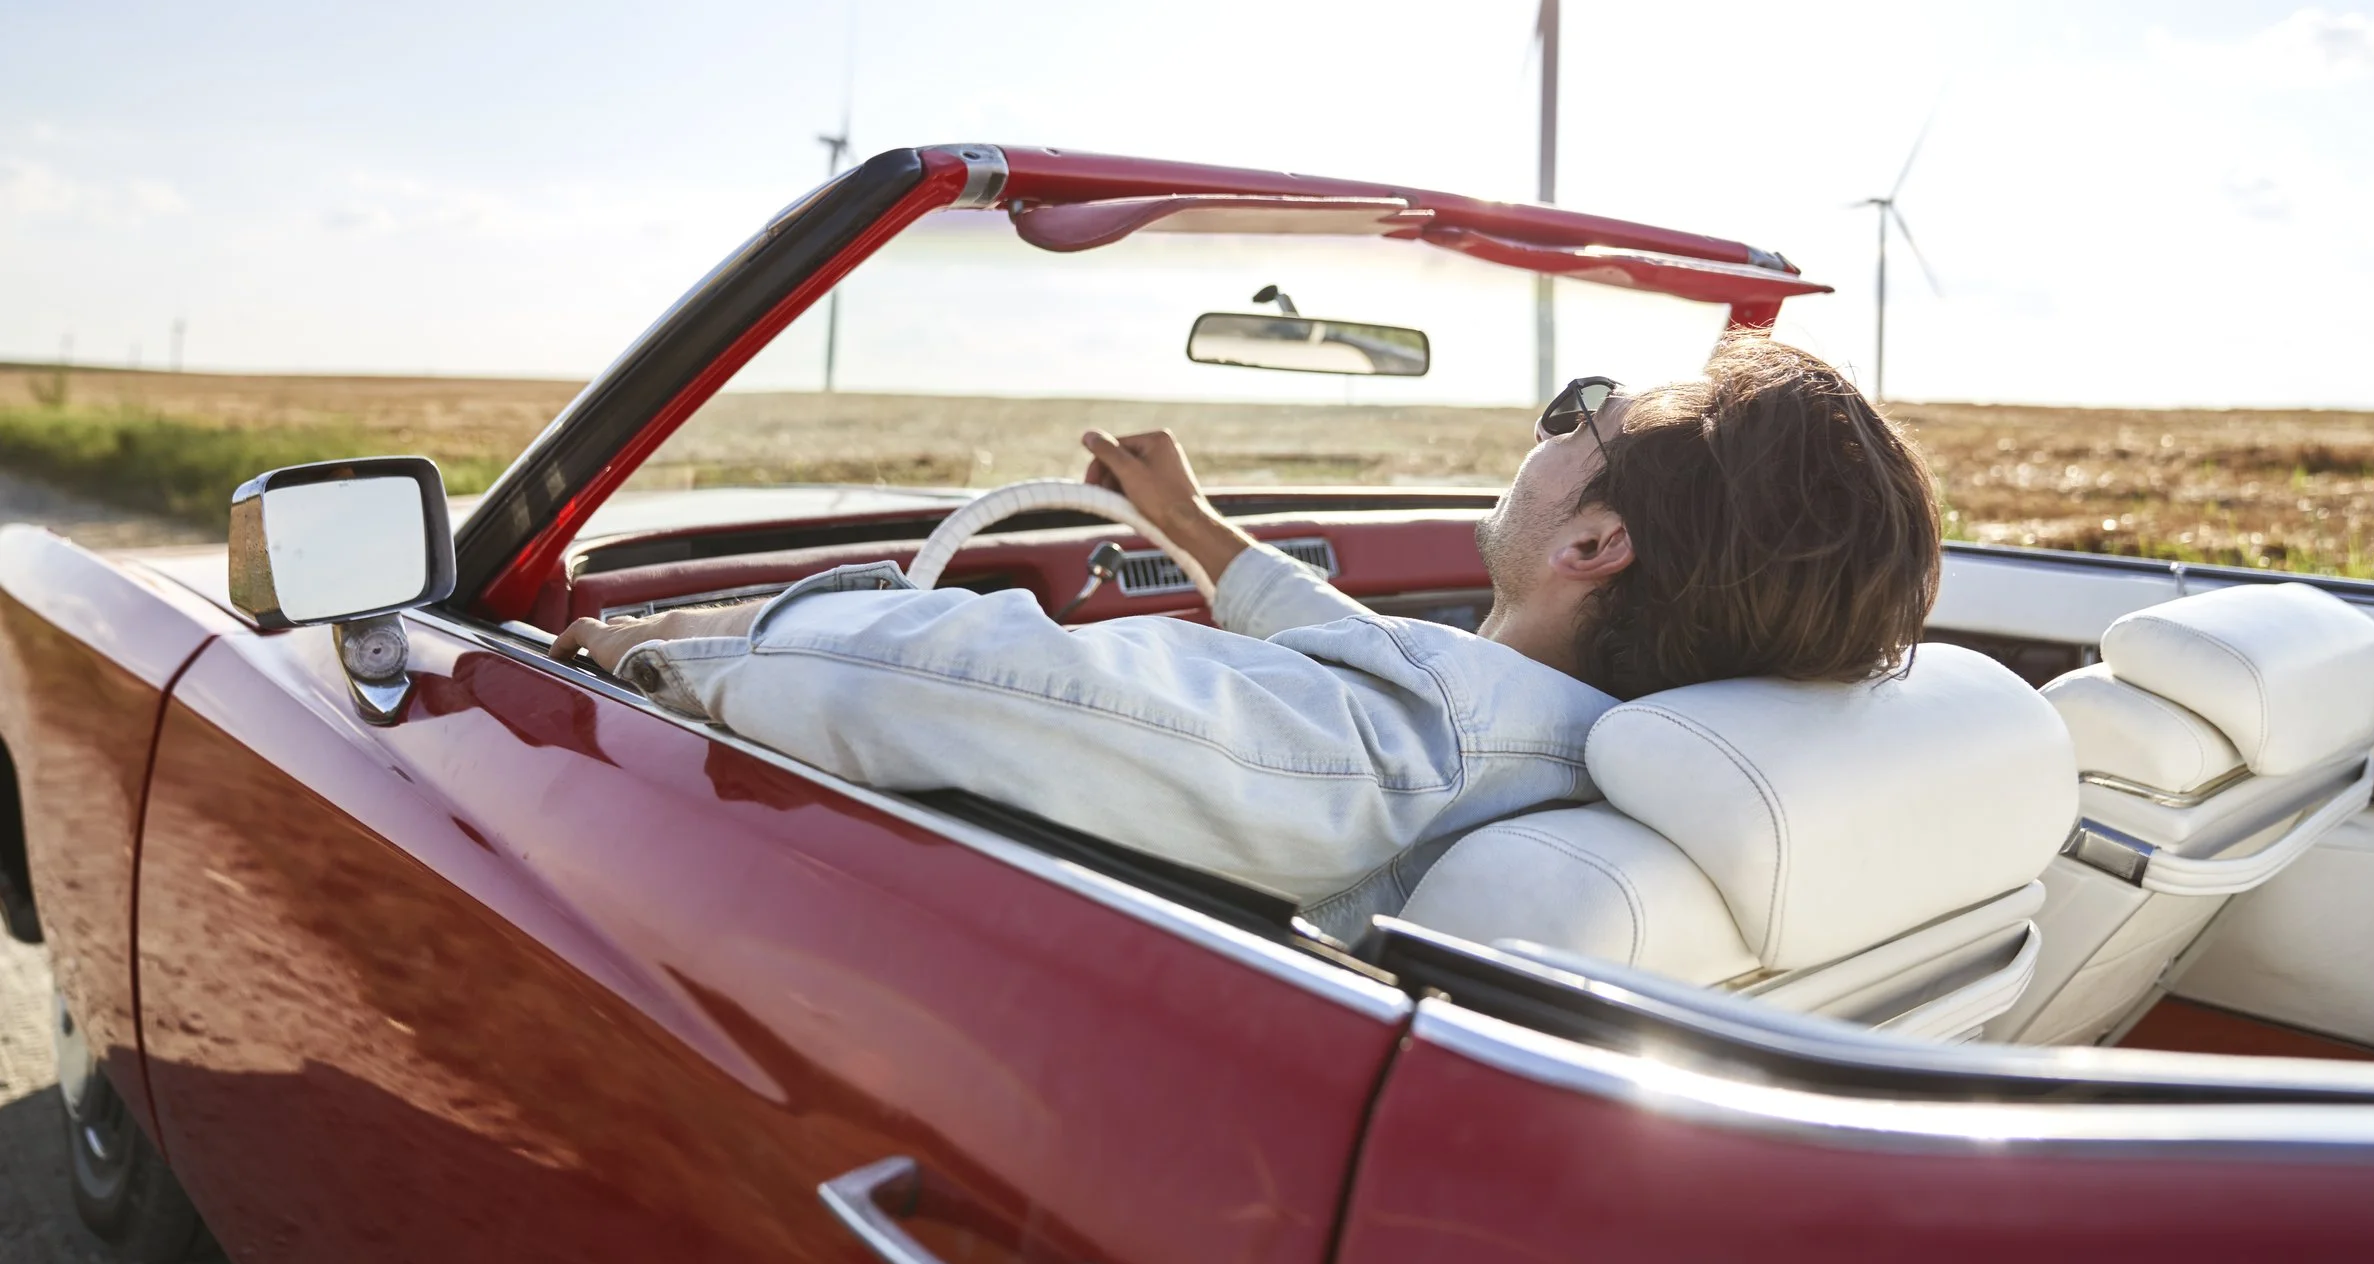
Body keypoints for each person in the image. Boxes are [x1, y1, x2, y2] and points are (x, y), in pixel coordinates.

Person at [554, 335, 1941, 938]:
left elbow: (884, 669)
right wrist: (1199, 530)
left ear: (1592, 545)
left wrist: (660, 640)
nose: (1551, 422)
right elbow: (1391, 673)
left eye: (1581, 413)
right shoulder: (1556, 729)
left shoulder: (1354, 760)